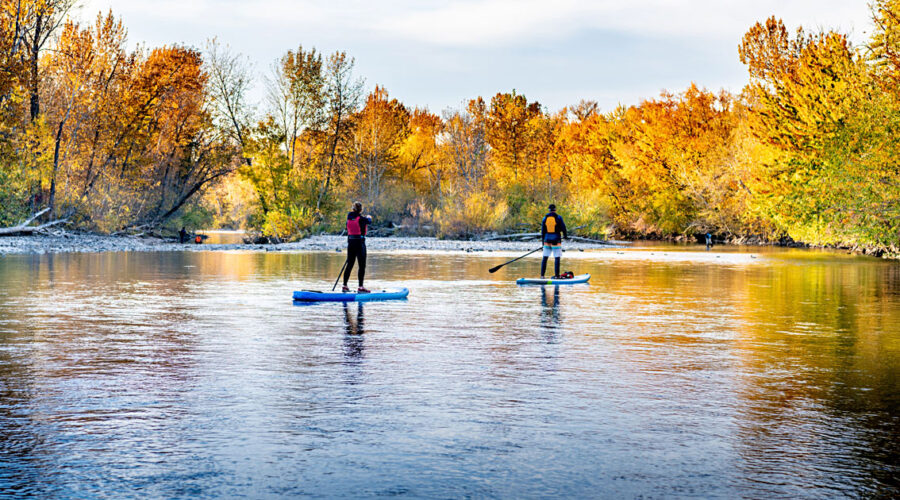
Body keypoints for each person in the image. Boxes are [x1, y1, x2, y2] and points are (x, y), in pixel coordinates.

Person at [343, 201, 372, 293]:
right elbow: (369, 221)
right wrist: (369, 217)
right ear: (360, 210)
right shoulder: (362, 219)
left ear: (353, 209)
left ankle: (344, 285)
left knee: (350, 264)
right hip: (359, 243)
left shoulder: (349, 216)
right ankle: (360, 287)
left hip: (351, 242)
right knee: (362, 265)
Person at [540, 204, 568, 278]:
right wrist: (565, 236)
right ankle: (556, 276)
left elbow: (543, 231)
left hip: (546, 241)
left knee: (545, 258)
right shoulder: (559, 217)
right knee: (557, 258)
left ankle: (542, 276)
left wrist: (543, 242)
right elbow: (563, 228)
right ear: (555, 210)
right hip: (556, 241)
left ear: (548, 210)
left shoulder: (544, 218)